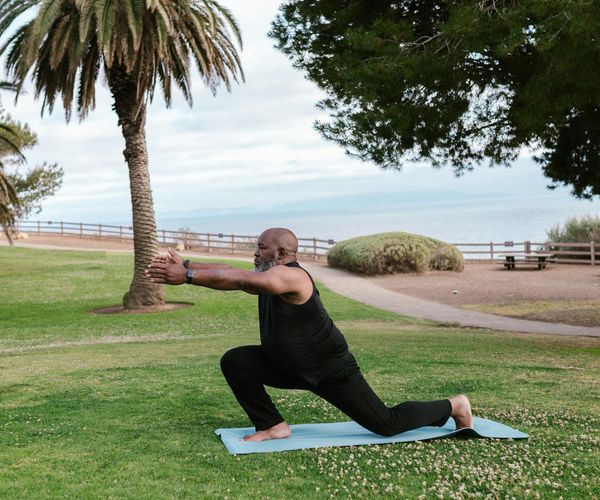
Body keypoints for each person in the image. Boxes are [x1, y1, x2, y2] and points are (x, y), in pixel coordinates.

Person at [145, 227, 473, 442]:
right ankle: (272, 425)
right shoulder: (268, 275)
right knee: (236, 361)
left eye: (261, 248)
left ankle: (454, 405)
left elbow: (241, 279)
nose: (255, 253)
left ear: (282, 252)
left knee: (386, 424)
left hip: (330, 372)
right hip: (287, 366)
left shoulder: (292, 278)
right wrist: (187, 262)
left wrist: (186, 276)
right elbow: (235, 274)